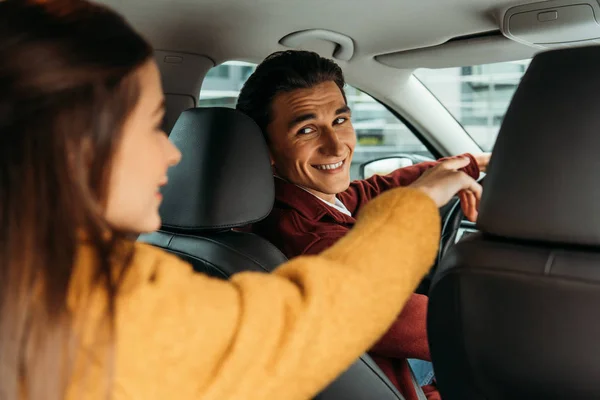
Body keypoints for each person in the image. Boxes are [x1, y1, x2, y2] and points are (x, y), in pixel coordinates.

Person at [0, 1, 483, 400]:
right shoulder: (111, 310)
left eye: (340, 120)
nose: (172, 152)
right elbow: (307, 316)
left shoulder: (111, 273)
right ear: (72, 150)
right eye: (148, 126)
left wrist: (450, 173)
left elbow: (364, 195)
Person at [236, 50, 489, 400]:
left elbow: (371, 190)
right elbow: (456, 333)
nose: (336, 145)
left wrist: (472, 163)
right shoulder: (310, 243)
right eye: (307, 130)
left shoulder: (291, 202)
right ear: (266, 149)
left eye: (340, 120)